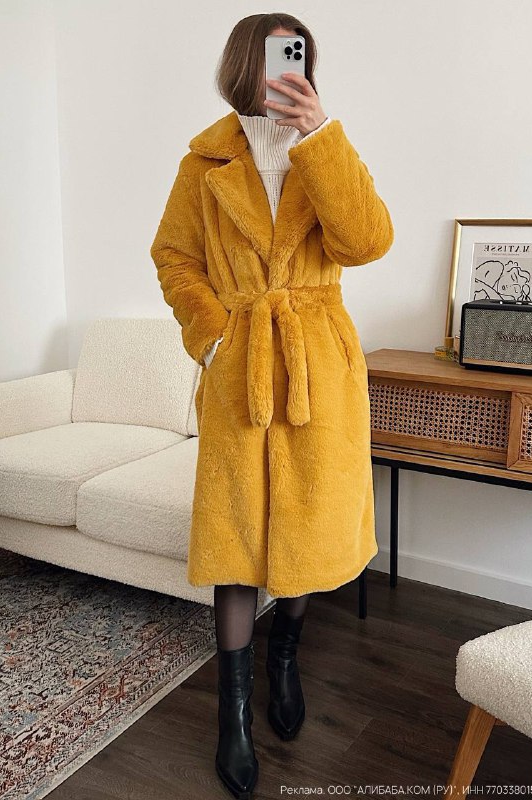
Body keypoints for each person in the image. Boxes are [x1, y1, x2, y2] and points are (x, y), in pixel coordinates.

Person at [150, 13, 394, 799]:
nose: (286, 70)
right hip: (239, 367)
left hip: (317, 367)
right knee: (234, 537)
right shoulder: (204, 162)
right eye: (273, 56)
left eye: (298, 57)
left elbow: (367, 241)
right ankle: (234, 716)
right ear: (242, 64)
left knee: (306, 523)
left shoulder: (324, 147)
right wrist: (213, 336)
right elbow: (174, 258)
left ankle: (285, 655)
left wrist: (319, 136)